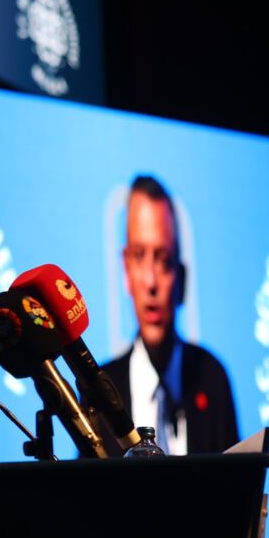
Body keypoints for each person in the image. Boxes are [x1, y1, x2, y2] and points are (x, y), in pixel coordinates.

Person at [99, 175, 239, 455]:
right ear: (126, 270)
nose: (151, 282)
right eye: (139, 256)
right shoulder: (101, 392)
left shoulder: (212, 379)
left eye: (163, 260)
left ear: (181, 278)